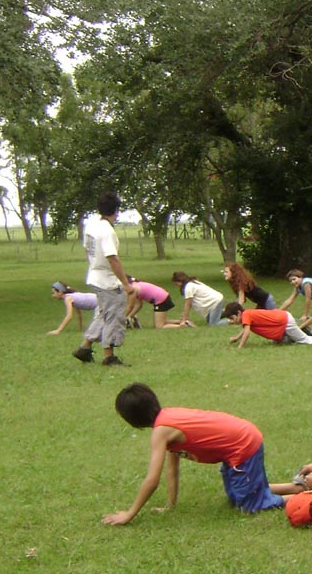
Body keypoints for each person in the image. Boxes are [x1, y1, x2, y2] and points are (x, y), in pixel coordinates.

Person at [102, 383, 284, 525]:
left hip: (243, 445)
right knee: (236, 497)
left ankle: (309, 496)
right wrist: (170, 506)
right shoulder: (167, 419)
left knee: (250, 506)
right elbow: (172, 470)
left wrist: (129, 514)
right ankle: (299, 486)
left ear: (133, 418)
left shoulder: (162, 431)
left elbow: (152, 480)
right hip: (241, 440)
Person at [74, 192, 135, 366]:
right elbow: (112, 258)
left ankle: (85, 348)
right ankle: (109, 356)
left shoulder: (92, 227)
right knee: (113, 316)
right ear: (116, 210)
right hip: (107, 281)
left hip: (94, 276)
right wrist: (125, 283)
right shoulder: (108, 232)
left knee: (102, 314)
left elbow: (88, 251)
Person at [222, 303, 312, 347]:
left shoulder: (246, 315)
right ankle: (296, 333)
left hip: (285, 322)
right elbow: (245, 329)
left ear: (239, 313)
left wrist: (240, 347)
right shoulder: (247, 315)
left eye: (232, 318)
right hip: (283, 320)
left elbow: (247, 333)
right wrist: (236, 338)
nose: (232, 321)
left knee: (305, 340)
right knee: (281, 342)